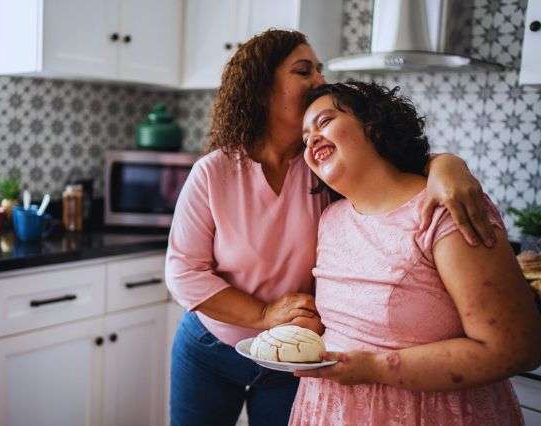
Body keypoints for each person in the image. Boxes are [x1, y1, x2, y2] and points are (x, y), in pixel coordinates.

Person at [166, 29, 495, 426]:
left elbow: (391, 163)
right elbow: (184, 273)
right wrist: (266, 315)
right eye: (304, 70)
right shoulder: (214, 171)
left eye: (319, 70)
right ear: (261, 88)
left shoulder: (325, 166)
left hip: (295, 355)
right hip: (209, 348)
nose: (318, 81)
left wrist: (447, 164)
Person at [289, 81, 541, 425]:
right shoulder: (330, 220)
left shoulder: (446, 209)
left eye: (325, 121)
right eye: (305, 137)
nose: (312, 140)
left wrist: (378, 368)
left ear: (373, 125)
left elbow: (516, 347)